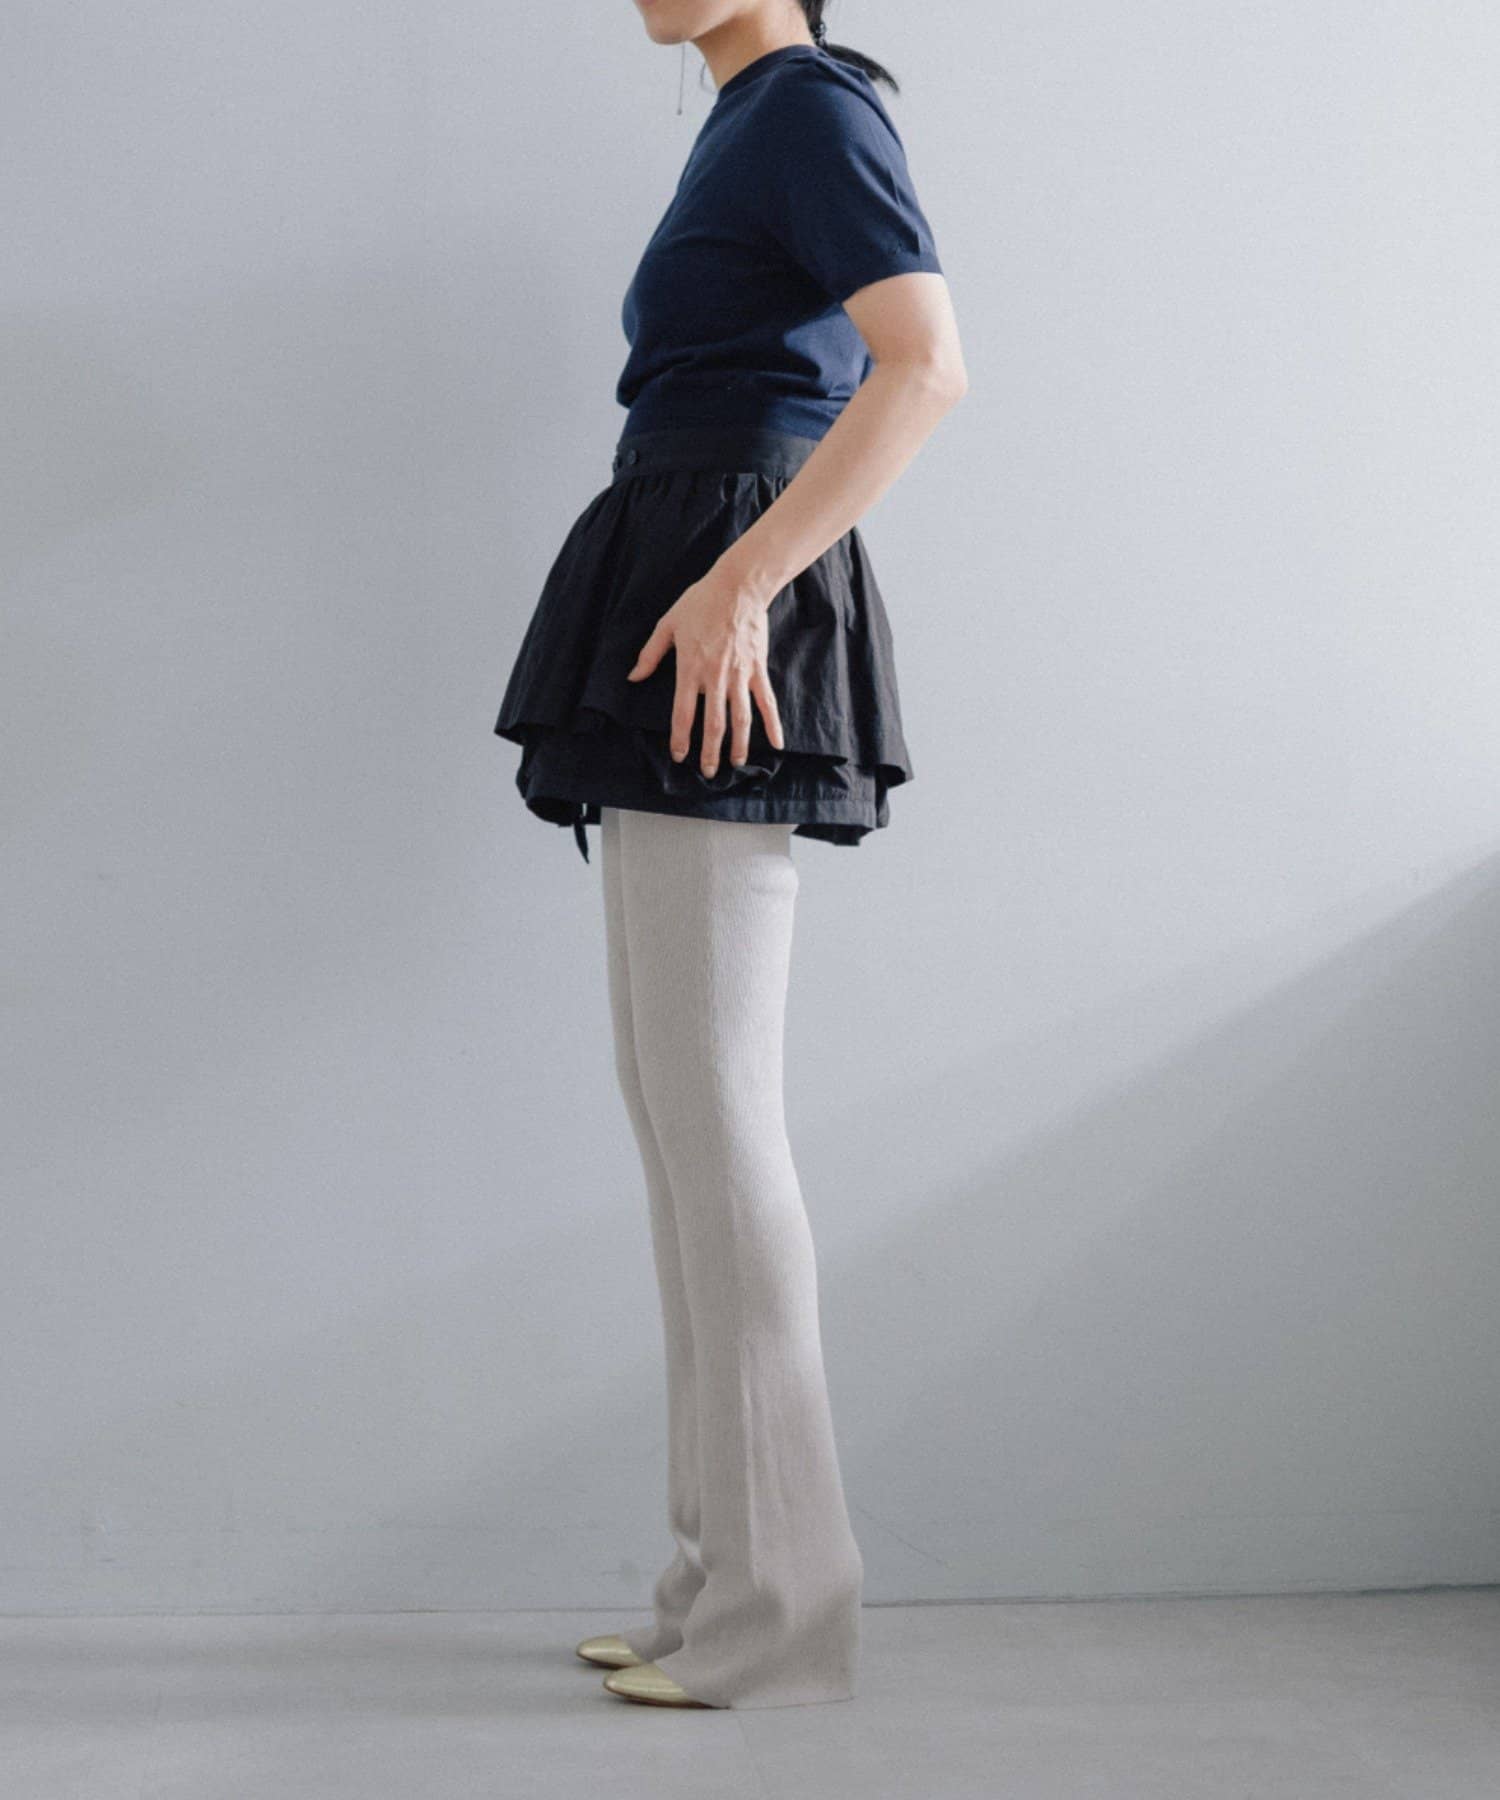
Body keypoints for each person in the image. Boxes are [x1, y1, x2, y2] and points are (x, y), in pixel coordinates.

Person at [493, 0, 966, 1710]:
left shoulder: (811, 106)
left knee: (714, 1112)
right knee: (674, 1112)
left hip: (721, 605)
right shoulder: (746, 118)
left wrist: (744, 584)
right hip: (680, 577)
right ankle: (714, 1583)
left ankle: (785, 1610)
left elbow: (924, 363)